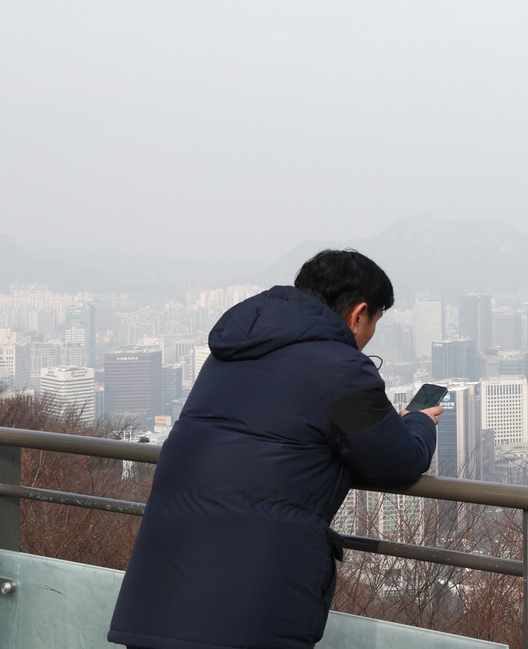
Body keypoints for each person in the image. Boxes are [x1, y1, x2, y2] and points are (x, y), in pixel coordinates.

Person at [108, 249, 442, 649]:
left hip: (159, 594)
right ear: (358, 314)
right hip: (248, 607)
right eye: (374, 324)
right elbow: (399, 461)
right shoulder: (340, 368)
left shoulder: (229, 353)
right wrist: (419, 422)